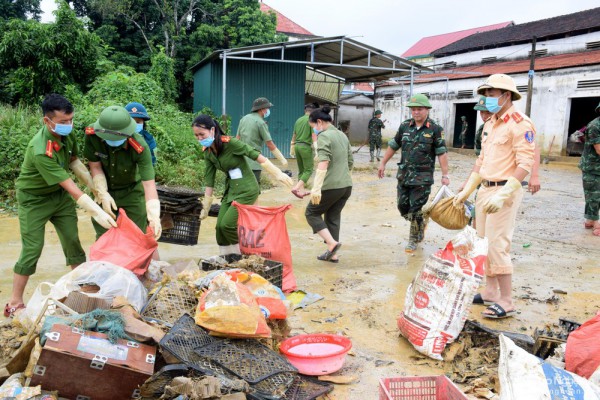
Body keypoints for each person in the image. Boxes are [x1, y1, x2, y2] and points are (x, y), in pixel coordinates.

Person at [5, 94, 116, 318]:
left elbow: (74, 161)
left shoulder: (67, 134)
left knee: (72, 241)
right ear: (47, 121)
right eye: (63, 122)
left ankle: (82, 291)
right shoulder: (40, 149)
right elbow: (70, 187)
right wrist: (95, 210)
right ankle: (15, 300)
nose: (69, 125)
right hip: (34, 200)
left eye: (71, 120)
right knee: (32, 248)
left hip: (59, 197)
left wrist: (96, 188)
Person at [453, 73, 536, 319]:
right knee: (483, 243)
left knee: (498, 245)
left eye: (490, 95)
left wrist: (503, 194)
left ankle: (507, 300)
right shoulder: (490, 124)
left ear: (506, 95)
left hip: (504, 191)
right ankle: (490, 292)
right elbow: (482, 161)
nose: (487, 100)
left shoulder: (520, 123)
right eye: (486, 95)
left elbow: (526, 163)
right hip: (485, 189)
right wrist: (467, 190)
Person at [194, 115, 293, 255]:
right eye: (196, 135)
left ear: (212, 130)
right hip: (231, 191)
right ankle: (226, 258)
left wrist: (277, 173)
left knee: (227, 225)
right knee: (219, 228)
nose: (199, 138)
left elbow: (254, 154)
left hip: (247, 189)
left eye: (202, 134)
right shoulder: (208, 152)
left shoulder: (230, 143)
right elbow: (209, 178)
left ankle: (242, 256)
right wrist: (207, 204)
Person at [378, 93, 449, 253]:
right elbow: (393, 145)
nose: (416, 112)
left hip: (422, 178)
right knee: (402, 207)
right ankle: (421, 224)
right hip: (404, 175)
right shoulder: (405, 126)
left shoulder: (435, 129)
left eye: (419, 109)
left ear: (427, 110)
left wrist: (445, 175)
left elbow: (442, 153)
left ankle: (413, 239)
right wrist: (382, 162)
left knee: (415, 209)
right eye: (413, 109)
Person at [84, 106, 162, 241]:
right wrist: (102, 193)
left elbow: (149, 184)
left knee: (138, 236)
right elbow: (95, 166)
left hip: (131, 191)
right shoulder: (93, 135)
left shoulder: (140, 146)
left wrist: (154, 216)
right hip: (104, 188)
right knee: (105, 236)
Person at [304, 105, 353, 263]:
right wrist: (341, 176)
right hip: (346, 186)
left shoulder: (324, 136)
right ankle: (333, 254)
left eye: (313, 128)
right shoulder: (342, 135)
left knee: (311, 213)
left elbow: (324, 161)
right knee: (332, 217)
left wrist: (316, 188)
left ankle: (332, 244)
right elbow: (350, 161)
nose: (314, 131)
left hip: (331, 186)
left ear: (319, 122)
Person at [237, 97, 288, 184]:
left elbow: (237, 138)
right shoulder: (261, 123)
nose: (268, 110)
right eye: (267, 108)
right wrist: (282, 159)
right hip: (254, 161)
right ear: (262, 109)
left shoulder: (243, 119)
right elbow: (270, 144)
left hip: (241, 161)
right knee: (254, 189)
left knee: (242, 187)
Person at [579, 101, 600, 236]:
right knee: (593, 195)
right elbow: (599, 149)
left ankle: (590, 220)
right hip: (592, 167)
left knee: (594, 194)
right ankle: (596, 224)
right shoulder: (594, 126)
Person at [290, 103, 318, 198]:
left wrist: (292, 146)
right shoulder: (311, 120)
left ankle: (301, 191)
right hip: (305, 147)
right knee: (309, 170)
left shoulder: (298, 120)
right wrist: (317, 149)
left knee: (301, 170)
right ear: (313, 111)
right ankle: (296, 188)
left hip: (297, 146)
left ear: (305, 110)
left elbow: (294, 134)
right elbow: (314, 135)